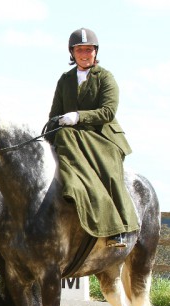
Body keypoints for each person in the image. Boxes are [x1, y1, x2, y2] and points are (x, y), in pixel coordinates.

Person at [48, 28, 139, 248]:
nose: (84, 54)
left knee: (108, 171)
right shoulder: (65, 80)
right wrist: (53, 125)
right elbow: (54, 113)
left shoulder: (106, 77)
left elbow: (107, 112)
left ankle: (118, 228)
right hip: (72, 135)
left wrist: (78, 116)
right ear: (72, 53)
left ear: (95, 52)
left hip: (103, 136)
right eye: (80, 50)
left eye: (88, 50)